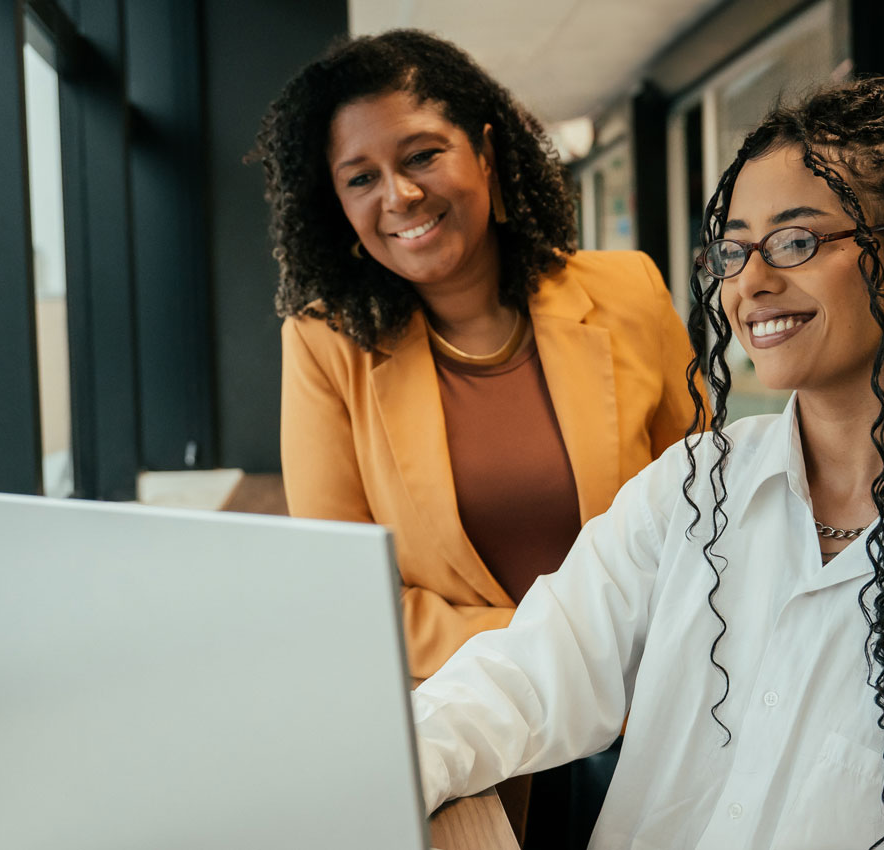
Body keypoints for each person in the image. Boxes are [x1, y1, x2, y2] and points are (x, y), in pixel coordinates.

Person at [411, 75, 884, 850]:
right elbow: (526, 678)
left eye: (796, 241)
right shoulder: (689, 491)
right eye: (734, 249)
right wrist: (379, 769)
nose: (752, 283)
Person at [256, 30, 704, 845]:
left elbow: (713, 521)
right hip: (469, 731)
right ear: (338, 204)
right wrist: (563, 660)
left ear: (486, 153)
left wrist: (643, 666)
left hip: (661, 712)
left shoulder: (628, 290)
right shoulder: (325, 345)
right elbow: (346, 600)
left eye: (422, 155)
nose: (399, 195)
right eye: (361, 178)